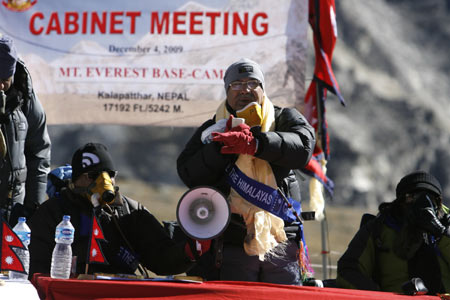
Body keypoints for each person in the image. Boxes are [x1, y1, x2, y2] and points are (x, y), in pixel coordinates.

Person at [177, 58, 315, 285]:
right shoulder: (212, 129)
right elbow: (188, 173)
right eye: (237, 85)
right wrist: (220, 149)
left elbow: (303, 147)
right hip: (231, 240)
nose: (245, 90)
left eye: (252, 83)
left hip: (282, 240)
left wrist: (257, 144)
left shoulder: (283, 118)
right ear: (227, 91)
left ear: (263, 89)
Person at [29, 142, 209, 277]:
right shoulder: (53, 212)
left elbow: (161, 259)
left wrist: (189, 252)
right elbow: (37, 265)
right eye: (93, 176)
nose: (104, 182)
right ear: (76, 181)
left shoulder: (131, 211)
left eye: (110, 175)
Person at [336, 171, 450, 294]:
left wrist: (440, 232)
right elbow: (349, 269)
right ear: (400, 201)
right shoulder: (379, 227)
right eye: (412, 197)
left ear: (438, 202)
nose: (422, 204)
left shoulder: (446, 224)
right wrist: (377, 296)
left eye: (429, 198)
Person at [0, 34, 51, 226]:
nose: (1, 85)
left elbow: (39, 153)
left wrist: (33, 208)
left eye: (5, 79)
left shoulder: (25, 99)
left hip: (14, 210)